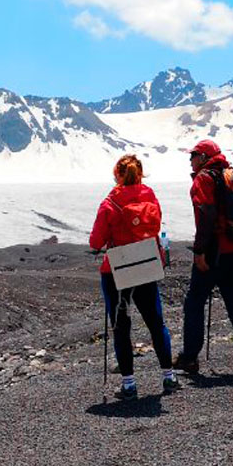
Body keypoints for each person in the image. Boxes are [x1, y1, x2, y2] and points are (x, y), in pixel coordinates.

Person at [89, 154, 178, 400]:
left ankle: (129, 384)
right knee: (155, 322)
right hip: (146, 265)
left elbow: (96, 241)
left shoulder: (110, 202)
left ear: (117, 175)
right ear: (140, 174)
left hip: (118, 271)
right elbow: (155, 227)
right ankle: (169, 376)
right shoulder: (150, 197)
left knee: (121, 327)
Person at [171, 139, 233, 378]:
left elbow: (206, 215)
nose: (190, 160)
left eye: (193, 156)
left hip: (214, 252)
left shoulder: (204, 179)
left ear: (203, 157)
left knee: (195, 303)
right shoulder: (232, 176)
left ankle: (190, 357)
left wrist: (199, 252)